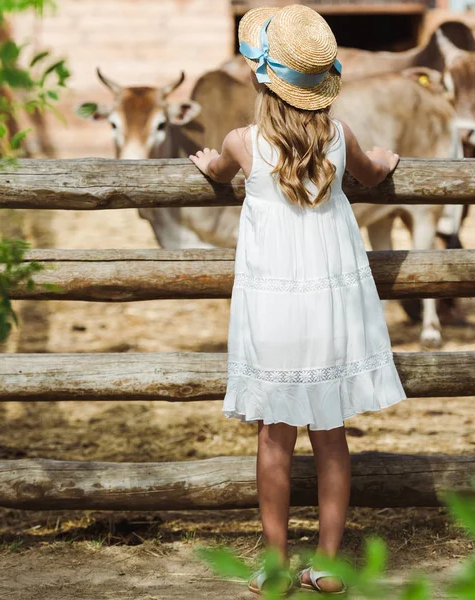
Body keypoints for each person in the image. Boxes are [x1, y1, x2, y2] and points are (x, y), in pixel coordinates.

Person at [190, 4, 406, 595]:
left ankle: (277, 565)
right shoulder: (340, 137)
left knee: (273, 440)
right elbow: (370, 172)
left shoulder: (241, 143)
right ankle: (330, 562)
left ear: (263, 81)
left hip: (274, 312)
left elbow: (214, 169)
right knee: (331, 438)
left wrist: (208, 164)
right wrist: (387, 161)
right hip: (331, 310)